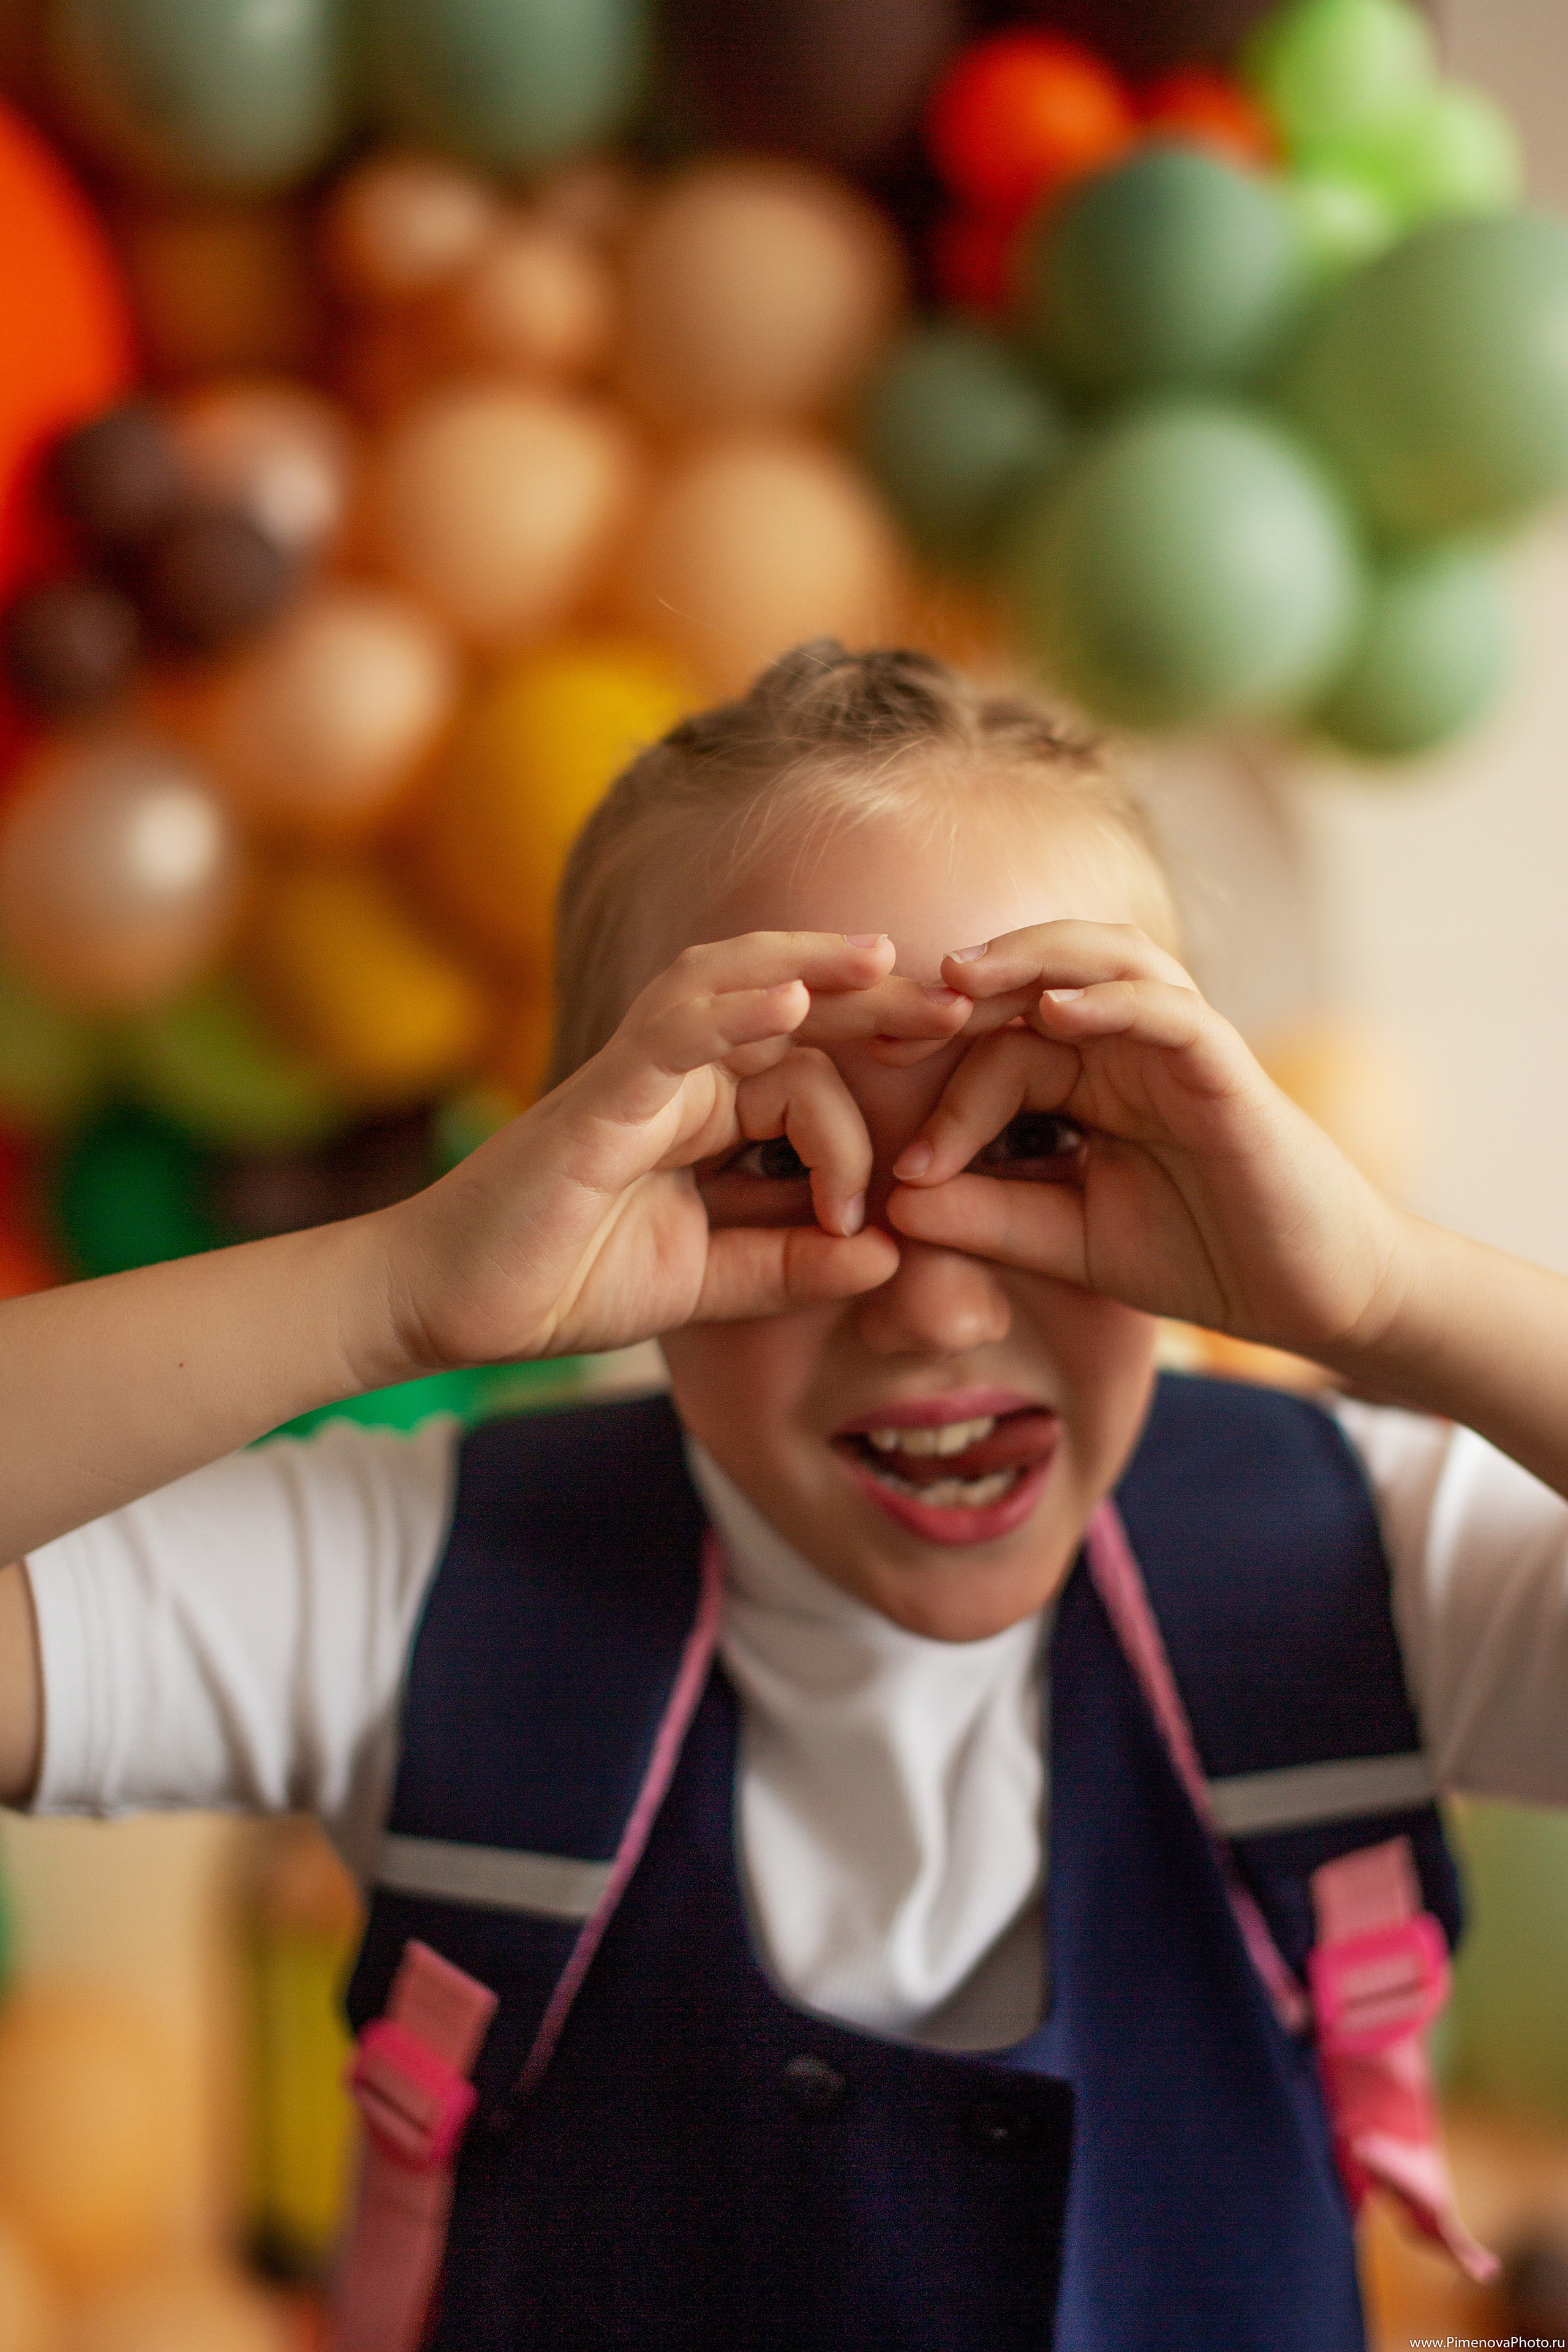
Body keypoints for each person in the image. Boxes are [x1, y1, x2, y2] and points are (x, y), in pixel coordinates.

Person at [4, 641, 1568, 2352]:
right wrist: (404, 1285)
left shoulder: (1360, 1560)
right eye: (770, 1157)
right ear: (584, 1179)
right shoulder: (423, 1584)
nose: (939, 1305)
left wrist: (1388, 1295)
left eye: (1040, 1139)